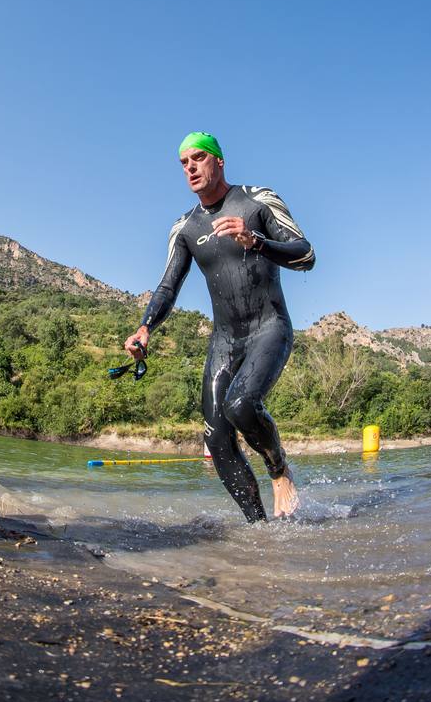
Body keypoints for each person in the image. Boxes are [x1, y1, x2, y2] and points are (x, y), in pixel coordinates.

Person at [124, 132, 315, 522]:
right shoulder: (186, 227)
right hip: (226, 340)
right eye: (183, 162)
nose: (190, 167)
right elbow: (167, 286)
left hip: (268, 327)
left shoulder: (258, 199)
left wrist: (256, 240)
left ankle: (279, 470)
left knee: (241, 405)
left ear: (219, 161)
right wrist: (146, 327)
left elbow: (306, 255)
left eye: (198, 158)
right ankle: (260, 528)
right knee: (216, 436)